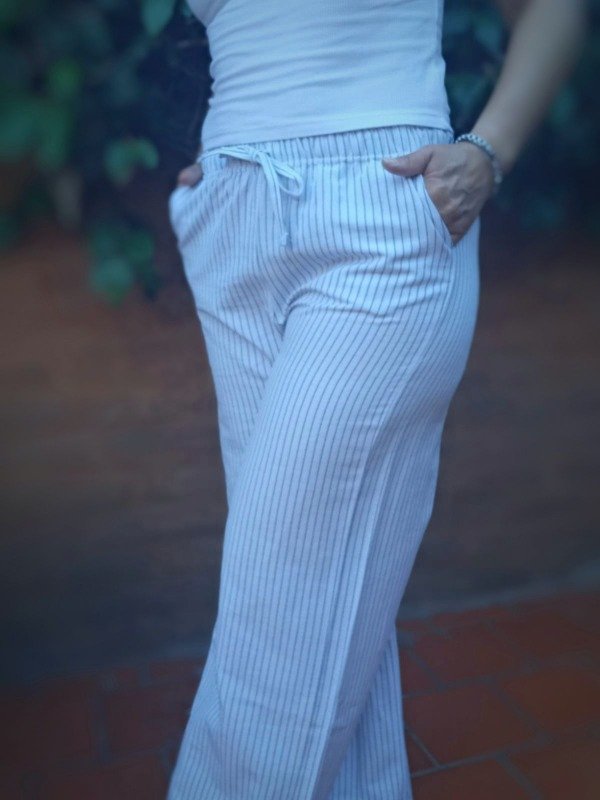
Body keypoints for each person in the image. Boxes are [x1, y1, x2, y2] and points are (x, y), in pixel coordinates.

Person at [166, 1, 587, 798]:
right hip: (232, 228)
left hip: (384, 214)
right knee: (318, 600)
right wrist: (216, 165)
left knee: (283, 603)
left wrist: (487, 154)